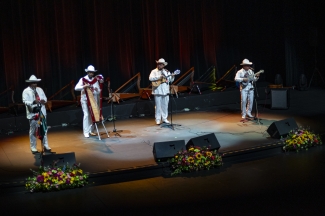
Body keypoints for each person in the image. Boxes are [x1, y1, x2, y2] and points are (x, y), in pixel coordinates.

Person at [22, 75, 51, 154]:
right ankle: (33, 147)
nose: (35, 84)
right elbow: (25, 101)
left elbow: (45, 98)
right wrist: (33, 102)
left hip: (42, 112)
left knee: (44, 129)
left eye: (36, 82)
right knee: (33, 131)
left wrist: (43, 101)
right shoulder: (26, 91)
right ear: (30, 83)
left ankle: (46, 145)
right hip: (33, 113)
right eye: (33, 83)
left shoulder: (40, 89)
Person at [75, 65, 104, 138]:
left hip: (92, 100)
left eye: (92, 72)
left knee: (92, 115)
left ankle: (91, 130)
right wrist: (84, 87)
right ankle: (86, 132)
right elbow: (76, 88)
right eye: (90, 72)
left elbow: (98, 91)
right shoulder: (83, 79)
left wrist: (97, 90)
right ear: (87, 72)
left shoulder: (95, 80)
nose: (91, 74)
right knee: (86, 115)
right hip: (85, 99)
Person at [149, 58, 175, 125]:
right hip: (157, 90)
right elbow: (150, 78)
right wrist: (159, 77)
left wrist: (172, 76)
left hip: (165, 90)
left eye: (161, 64)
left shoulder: (166, 71)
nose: (159, 65)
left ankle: (164, 118)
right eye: (158, 64)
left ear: (163, 65)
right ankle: (158, 119)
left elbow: (170, 81)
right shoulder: (154, 71)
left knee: (165, 105)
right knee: (158, 106)